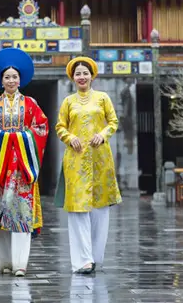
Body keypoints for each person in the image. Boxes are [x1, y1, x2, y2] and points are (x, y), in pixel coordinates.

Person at [0, 48, 48, 277]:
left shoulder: (30, 104)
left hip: (21, 168)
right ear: (1, 80)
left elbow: (41, 128)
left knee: (21, 215)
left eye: (14, 77)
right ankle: (3, 262)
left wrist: (18, 137)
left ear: (21, 79)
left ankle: (20, 263)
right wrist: (1, 137)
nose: (11, 80)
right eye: (7, 77)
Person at [53, 56, 121, 275]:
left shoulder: (102, 98)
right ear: (73, 77)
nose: (82, 77)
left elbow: (113, 122)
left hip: (100, 158)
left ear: (92, 75)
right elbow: (59, 126)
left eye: (85, 73)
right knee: (78, 211)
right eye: (78, 74)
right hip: (76, 159)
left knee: (100, 210)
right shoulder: (68, 102)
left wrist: (103, 134)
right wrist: (68, 137)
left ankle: (96, 257)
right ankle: (82, 260)